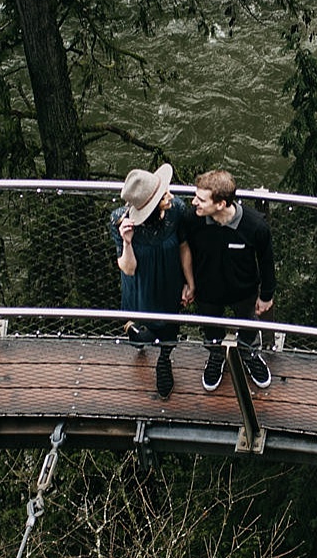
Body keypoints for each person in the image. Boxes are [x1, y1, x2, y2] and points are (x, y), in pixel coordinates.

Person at [179, 169, 275, 391]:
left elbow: (267, 262)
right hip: (207, 290)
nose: (194, 202)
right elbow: (185, 251)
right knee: (211, 328)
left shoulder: (255, 226)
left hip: (244, 291)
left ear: (221, 204)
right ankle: (216, 356)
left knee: (249, 325)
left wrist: (266, 295)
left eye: (201, 199)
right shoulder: (193, 220)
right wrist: (187, 282)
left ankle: (249, 355)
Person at [110, 164, 188, 397]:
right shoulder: (120, 220)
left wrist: (189, 282)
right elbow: (128, 268)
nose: (171, 196)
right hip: (140, 282)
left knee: (168, 323)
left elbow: (184, 247)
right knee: (140, 323)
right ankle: (138, 333)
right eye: (164, 195)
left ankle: (164, 359)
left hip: (169, 278)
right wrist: (127, 242)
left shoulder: (177, 210)